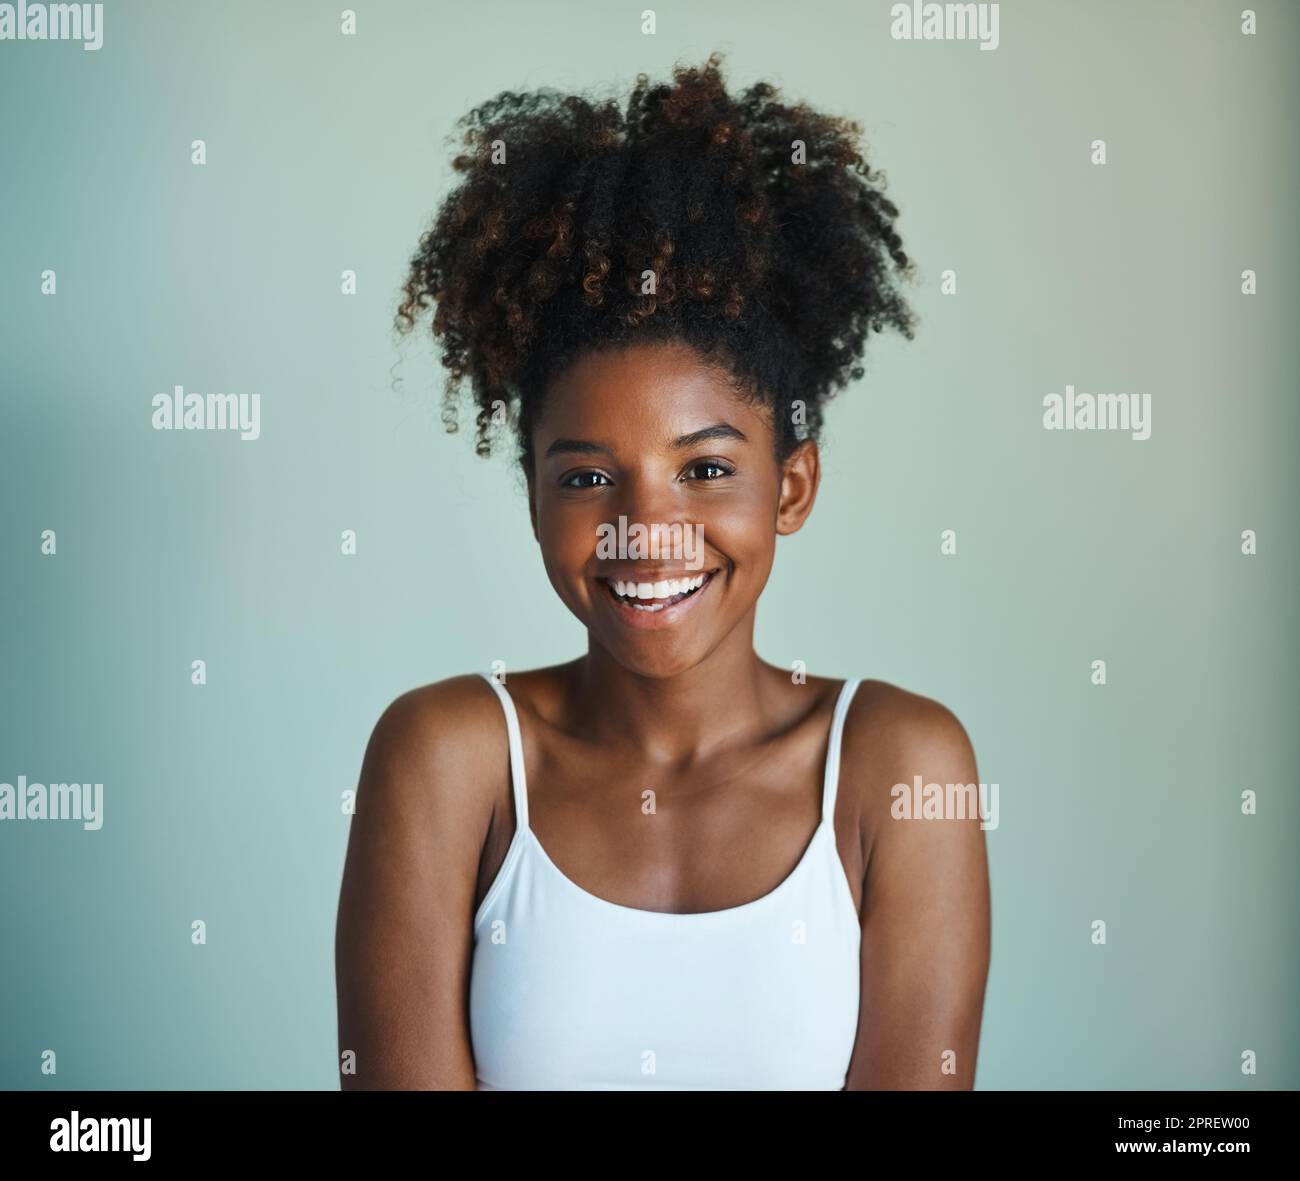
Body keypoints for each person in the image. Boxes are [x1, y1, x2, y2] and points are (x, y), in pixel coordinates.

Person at [335, 51, 990, 1090]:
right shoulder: (447, 759)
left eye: (706, 468)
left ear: (792, 486)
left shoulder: (900, 767)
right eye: (590, 474)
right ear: (536, 496)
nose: (646, 528)